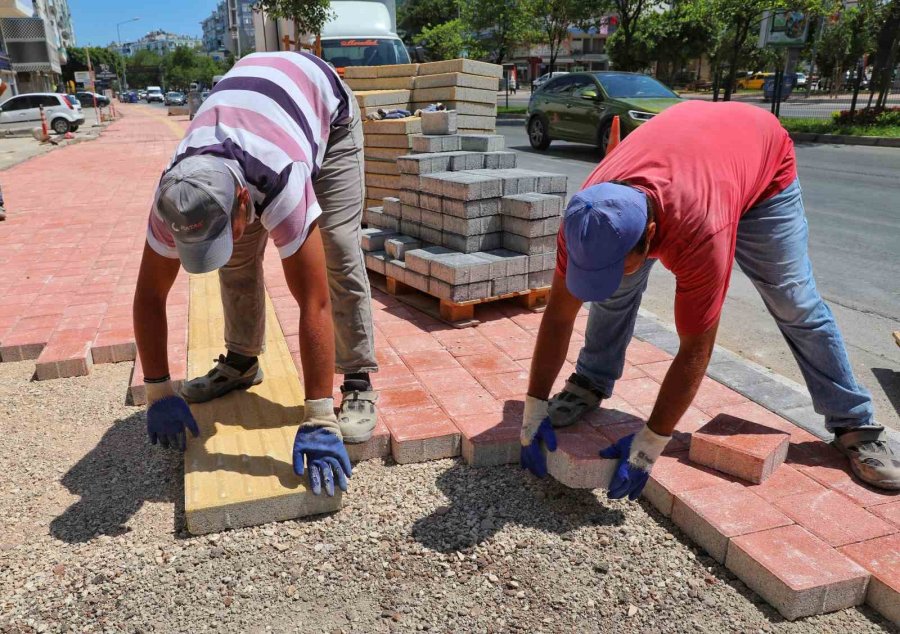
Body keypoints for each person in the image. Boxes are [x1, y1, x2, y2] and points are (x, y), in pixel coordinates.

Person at [520, 100, 898, 496]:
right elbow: (559, 317)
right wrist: (533, 408)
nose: (609, 276)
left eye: (620, 264)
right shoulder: (586, 217)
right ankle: (590, 382)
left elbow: (695, 348)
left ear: (650, 235)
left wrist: (650, 443)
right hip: (692, 153)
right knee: (614, 295)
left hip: (762, 165)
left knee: (793, 301)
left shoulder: (700, 234)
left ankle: (854, 422)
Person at [133, 51, 380, 496]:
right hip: (253, 128)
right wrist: (157, 390)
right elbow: (150, 296)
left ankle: (358, 379)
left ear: (244, 202)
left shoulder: (282, 175)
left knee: (337, 253)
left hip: (328, 114)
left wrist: (319, 416)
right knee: (237, 257)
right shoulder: (174, 195)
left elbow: (314, 300)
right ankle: (242, 363)